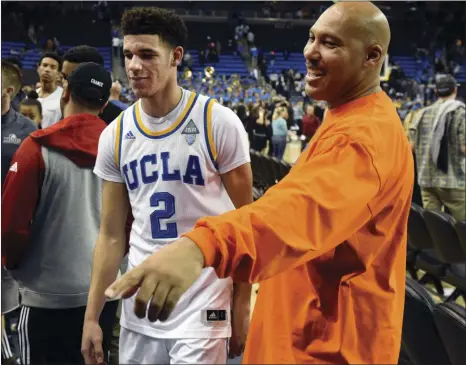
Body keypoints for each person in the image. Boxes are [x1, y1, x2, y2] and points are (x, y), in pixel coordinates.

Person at [105, 2, 415, 364]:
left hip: (328, 344)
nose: (310, 52)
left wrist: (200, 245)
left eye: (330, 43)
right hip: (308, 329)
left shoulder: (363, 138)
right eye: (311, 37)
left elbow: (299, 211)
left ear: (372, 56)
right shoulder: (348, 116)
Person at [82, 7, 252, 365]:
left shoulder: (217, 122)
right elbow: (112, 235)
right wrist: (92, 316)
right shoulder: (115, 134)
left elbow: (246, 223)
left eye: (147, 55)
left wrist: (241, 300)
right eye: (128, 54)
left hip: (205, 298)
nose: (133, 66)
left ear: (176, 57)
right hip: (141, 303)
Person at [1, 63, 118, 364]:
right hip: (103, 294)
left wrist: (14, 268)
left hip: (45, 296)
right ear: (104, 104)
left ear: (66, 93)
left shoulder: (35, 148)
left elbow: (11, 227)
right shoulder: (122, 151)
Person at [1, 59, 37, 365]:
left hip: (10, 223)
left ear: (8, 90)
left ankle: (12, 351)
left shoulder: (26, 131)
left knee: (10, 291)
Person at [410, 74, 465, 221]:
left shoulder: (420, 114)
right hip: (454, 181)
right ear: (455, 90)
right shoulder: (460, 113)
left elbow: (411, 148)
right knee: (463, 228)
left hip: (427, 180)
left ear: (435, 92)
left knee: (436, 229)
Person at [61, 45, 124, 124]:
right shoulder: (62, 109)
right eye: (64, 77)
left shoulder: (119, 120)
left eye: (73, 78)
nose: (65, 84)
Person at [36, 52, 63, 128]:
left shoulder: (63, 97)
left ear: (58, 74)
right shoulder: (30, 96)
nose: (47, 69)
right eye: (44, 65)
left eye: (53, 67)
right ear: (38, 69)